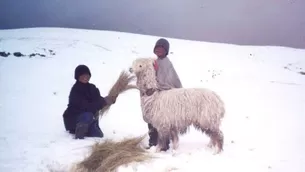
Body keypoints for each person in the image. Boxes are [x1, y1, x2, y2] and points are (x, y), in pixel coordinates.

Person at [146, 38, 183, 151]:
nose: (159, 50)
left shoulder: (166, 63)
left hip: (166, 96)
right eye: (157, 48)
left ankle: (163, 143)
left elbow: (167, 80)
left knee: (163, 120)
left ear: (166, 50)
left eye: (161, 48)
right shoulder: (155, 61)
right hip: (157, 96)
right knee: (153, 119)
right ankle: (154, 140)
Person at [62, 64, 116, 139]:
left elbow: (98, 100)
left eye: (87, 75)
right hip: (74, 118)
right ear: (77, 77)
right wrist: (104, 101)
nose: (85, 77)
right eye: (82, 75)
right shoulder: (75, 90)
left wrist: (109, 100)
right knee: (88, 115)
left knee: (99, 135)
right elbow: (86, 107)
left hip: (89, 119)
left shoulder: (92, 88)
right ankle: (78, 134)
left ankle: (84, 129)